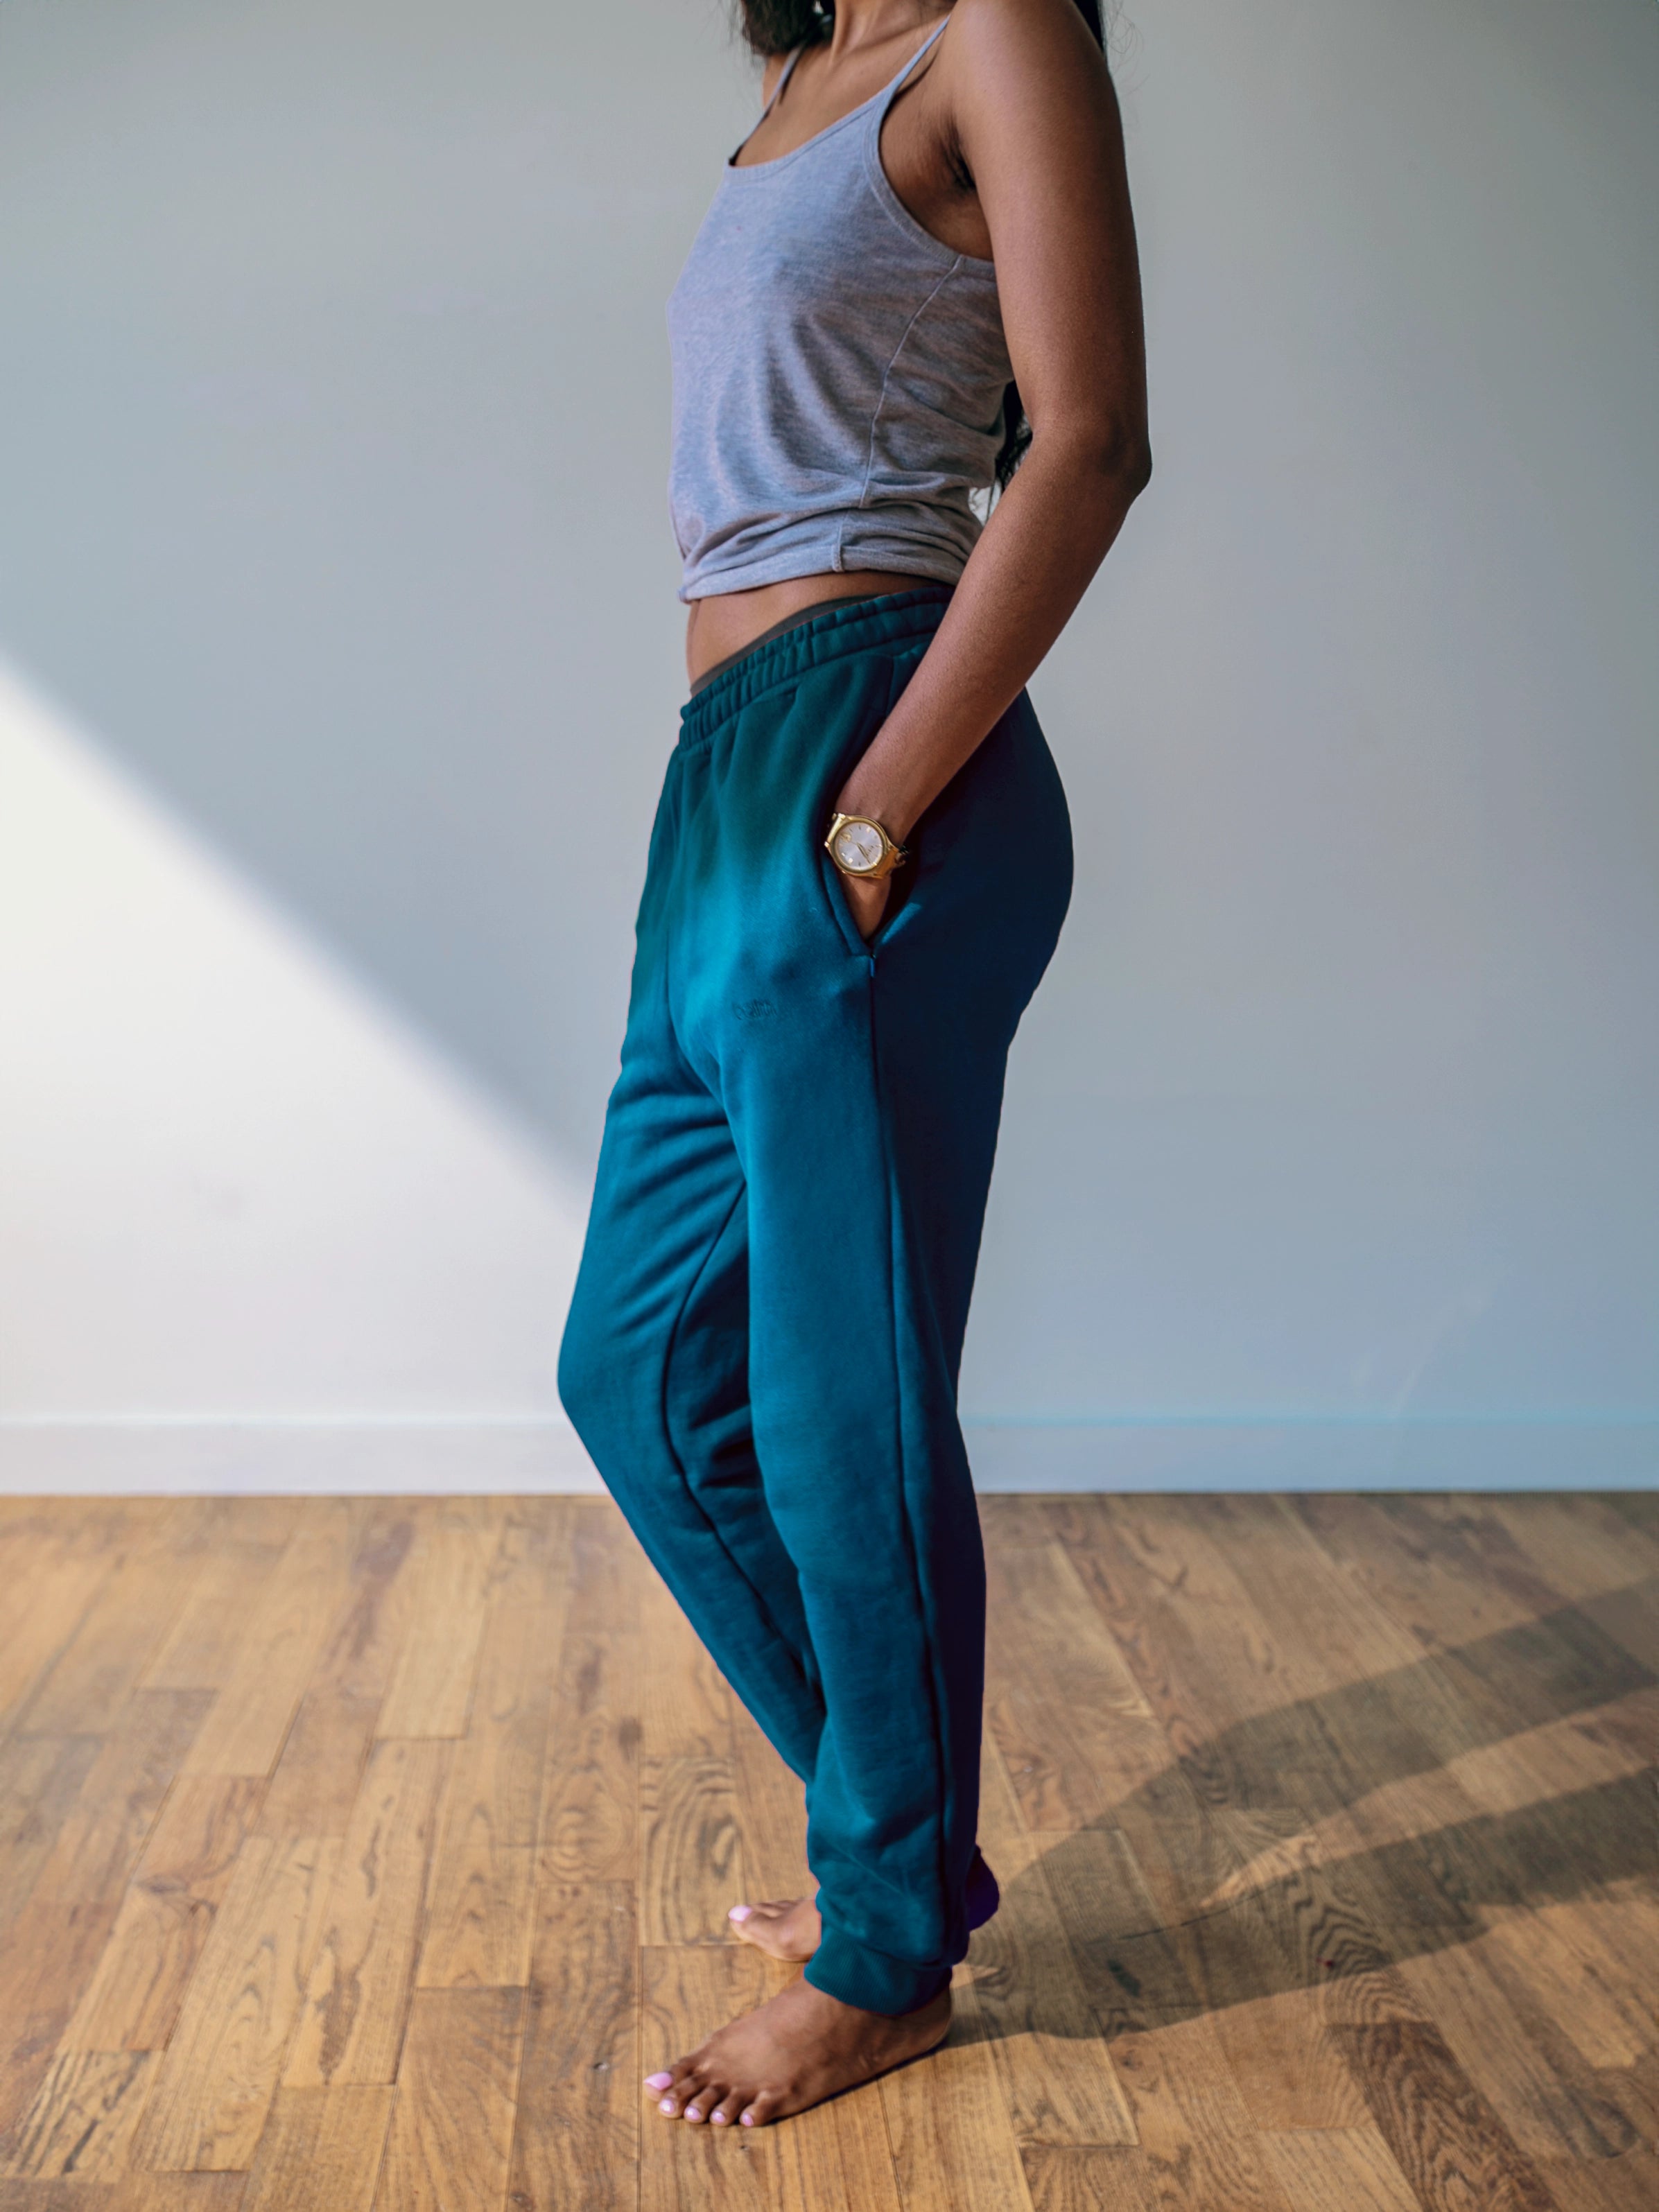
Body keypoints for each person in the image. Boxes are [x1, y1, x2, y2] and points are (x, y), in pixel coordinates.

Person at [557, 0, 1149, 2130]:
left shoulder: (1002, 26)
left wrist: (882, 814)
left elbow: (1082, 439)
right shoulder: (802, 82)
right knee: (637, 1377)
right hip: (724, 774)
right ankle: (898, 1844)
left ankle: (888, 1951)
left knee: (835, 1403)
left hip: (876, 737)